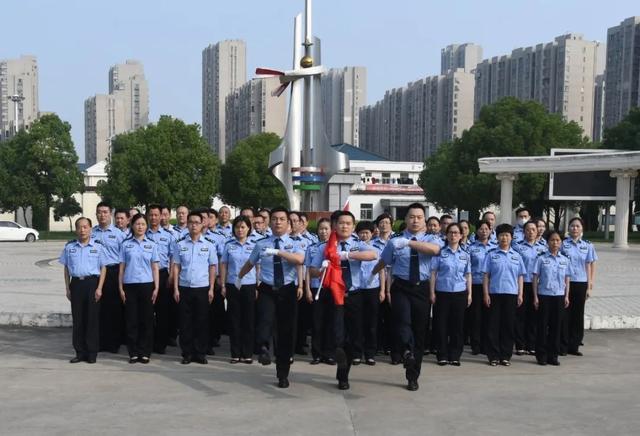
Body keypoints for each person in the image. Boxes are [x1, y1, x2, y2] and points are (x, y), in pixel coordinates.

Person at [372, 203, 442, 391]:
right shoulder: (395, 240)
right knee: (402, 321)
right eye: (412, 217)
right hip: (401, 286)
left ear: (424, 221)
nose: (415, 220)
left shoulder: (431, 239)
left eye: (419, 217)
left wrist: (410, 243)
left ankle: (413, 375)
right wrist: (371, 273)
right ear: (406, 219)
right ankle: (406, 351)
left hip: (421, 288)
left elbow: (435, 251)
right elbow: (384, 261)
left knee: (420, 332)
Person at [238, 206, 305, 389]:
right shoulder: (261, 244)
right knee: (265, 321)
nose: (277, 222)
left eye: (282, 219)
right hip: (267, 288)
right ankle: (263, 349)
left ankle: (282, 373)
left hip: (287, 290)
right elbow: (250, 263)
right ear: (270, 222)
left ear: (288, 223)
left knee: (285, 332)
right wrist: (239, 278)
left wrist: (278, 252)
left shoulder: (295, 243)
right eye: (274, 219)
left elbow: (299, 260)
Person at [310, 211, 378, 390]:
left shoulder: (358, 245)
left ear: (353, 227)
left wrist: (347, 255)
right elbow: (312, 270)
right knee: (337, 333)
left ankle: (343, 374)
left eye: (348, 223)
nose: (344, 226)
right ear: (335, 225)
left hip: (354, 295)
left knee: (353, 336)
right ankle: (336, 353)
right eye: (341, 223)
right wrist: (321, 268)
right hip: (332, 295)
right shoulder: (325, 248)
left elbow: (373, 255)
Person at [60, 217, 107, 364]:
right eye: (79, 227)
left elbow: (103, 267)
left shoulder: (98, 247)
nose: (82, 230)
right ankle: (80, 352)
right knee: (78, 320)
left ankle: (92, 353)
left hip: (92, 284)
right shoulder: (69, 247)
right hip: (77, 285)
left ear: (91, 229)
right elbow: (66, 269)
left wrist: (99, 288)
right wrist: (67, 288)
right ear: (76, 230)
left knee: (92, 320)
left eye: (85, 227)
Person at [172, 211, 217, 365]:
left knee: (202, 321)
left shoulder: (209, 245)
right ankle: (187, 353)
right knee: (185, 322)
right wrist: (176, 288)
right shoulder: (180, 244)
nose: (193, 225)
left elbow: (212, 267)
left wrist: (211, 288)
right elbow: (176, 266)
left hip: (202, 288)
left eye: (197, 222)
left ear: (202, 224)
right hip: (184, 287)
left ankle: (200, 352)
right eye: (191, 222)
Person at [482, 223, 526, 366]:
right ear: (497, 237)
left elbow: (520, 276)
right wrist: (486, 294)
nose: (504, 238)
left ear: (512, 237)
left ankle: (505, 355)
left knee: (508, 326)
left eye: (507, 235)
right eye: (501, 235)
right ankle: (493, 355)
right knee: (493, 326)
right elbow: (486, 276)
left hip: (511, 294)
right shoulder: (491, 255)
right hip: (494, 294)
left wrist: (520, 294)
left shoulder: (517, 256)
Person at [119, 213, 160, 364]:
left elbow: (155, 268)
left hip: (147, 286)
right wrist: (120, 288)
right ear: (132, 226)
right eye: (137, 224)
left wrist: (156, 287)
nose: (140, 227)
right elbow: (122, 268)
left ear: (146, 226)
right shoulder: (125, 245)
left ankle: (145, 352)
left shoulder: (152, 245)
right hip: (129, 286)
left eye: (143, 224)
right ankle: (133, 352)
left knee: (146, 320)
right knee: (131, 320)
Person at [429, 223, 472, 366]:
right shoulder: (440, 253)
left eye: (456, 233)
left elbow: (468, 275)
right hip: (442, 293)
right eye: (450, 233)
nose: (453, 235)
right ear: (446, 235)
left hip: (460, 293)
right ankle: (442, 354)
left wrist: (469, 294)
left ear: (461, 236)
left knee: (457, 326)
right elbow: (433, 273)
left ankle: (455, 355)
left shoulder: (465, 254)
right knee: (441, 325)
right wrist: (432, 292)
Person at [220, 215, 258, 364]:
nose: (240, 230)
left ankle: (247, 353)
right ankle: (235, 353)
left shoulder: (255, 245)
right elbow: (223, 264)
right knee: (234, 319)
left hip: (249, 285)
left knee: (248, 320)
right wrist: (222, 284)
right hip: (232, 285)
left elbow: (258, 265)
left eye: (243, 227)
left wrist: (257, 284)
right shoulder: (229, 245)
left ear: (248, 228)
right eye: (237, 227)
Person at [91, 202, 126, 353]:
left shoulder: (119, 234)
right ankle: (100, 342)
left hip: (113, 273)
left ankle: (113, 343)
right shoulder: (92, 233)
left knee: (114, 309)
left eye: (105, 212)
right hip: (96, 273)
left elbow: (124, 258)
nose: (102, 215)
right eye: (99, 212)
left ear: (110, 214)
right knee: (98, 308)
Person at [533, 230, 571, 366]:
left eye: (558, 240)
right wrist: (535, 297)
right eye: (552, 240)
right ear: (547, 242)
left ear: (561, 243)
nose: (555, 243)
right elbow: (535, 278)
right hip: (544, 296)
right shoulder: (541, 258)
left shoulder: (565, 259)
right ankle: (541, 355)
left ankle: (553, 355)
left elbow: (567, 279)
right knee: (542, 326)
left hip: (559, 296)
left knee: (556, 327)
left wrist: (566, 296)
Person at [561, 217, 597, 356]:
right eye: (572, 226)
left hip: (581, 283)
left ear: (582, 229)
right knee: (565, 313)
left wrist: (590, 284)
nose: (574, 228)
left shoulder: (588, 245)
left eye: (577, 226)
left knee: (577, 314)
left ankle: (574, 345)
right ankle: (563, 344)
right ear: (568, 228)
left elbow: (589, 264)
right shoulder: (563, 244)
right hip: (565, 283)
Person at [512, 220, 547, 356]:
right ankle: (520, 345)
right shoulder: (518, 247)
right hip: (522, 284)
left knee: (534, 316)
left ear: (537, 231)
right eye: (528, 229)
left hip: (537, 285)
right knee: (520, 315)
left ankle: (531, 344)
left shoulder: (543, 247)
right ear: (524, 232)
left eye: (533, 229)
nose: (531, 232)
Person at [146, 204, 176, 354]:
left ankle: (161, 344)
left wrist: (171, 275)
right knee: (147, 311)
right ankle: (148, 342)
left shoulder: (168, 235)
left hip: (163, 274)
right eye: (151, 215)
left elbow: (172, 256)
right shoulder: (142, 233)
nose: (154, 218)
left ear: (161, 216)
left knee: (163, 311)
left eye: (156, 215)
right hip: (146, 276)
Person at [355, 220, 386, 365]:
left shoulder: (377, 249)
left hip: (373, 289)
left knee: (372, 323)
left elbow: (381, 271)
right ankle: (356, 353)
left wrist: (382, 290)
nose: (364, 235)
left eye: (366, 233)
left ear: (372, 233)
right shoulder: (354, 249)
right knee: (357, 322)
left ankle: (370, 354)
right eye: (361, 233)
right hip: (357, 289)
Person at [304, 218, 334, 365]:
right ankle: (316, 354)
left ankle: (328, 354)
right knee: (317, 322)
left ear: (331, 230)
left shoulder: (336, 248)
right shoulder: (312, 248)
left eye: (326, 228)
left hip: (331, 288)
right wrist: (308, 289)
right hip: (317, 288)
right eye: (321, 229)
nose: (323, 231)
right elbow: (308, 270)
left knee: (330, 321)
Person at [465, 220, 496, 355]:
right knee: (476, 316)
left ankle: (486, 344)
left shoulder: (495, 247)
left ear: (490, 230)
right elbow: (467, 268)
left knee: (489, 317)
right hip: (476, 285)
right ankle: (475, 345)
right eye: (481, 229)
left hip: (491, 286)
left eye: (486, 229)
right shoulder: (471, 248)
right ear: (476, 231)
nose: (484, 231)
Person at [374, 212, 397, 362]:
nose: (384, 225)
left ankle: (391, 345)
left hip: (395, 279)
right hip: (377, 281)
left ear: (391, 224)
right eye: (381, 222)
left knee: (393, 316)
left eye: (387, 222)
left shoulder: (397, 240)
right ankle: (377, 345)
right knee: (377, 315)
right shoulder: (373, 242)